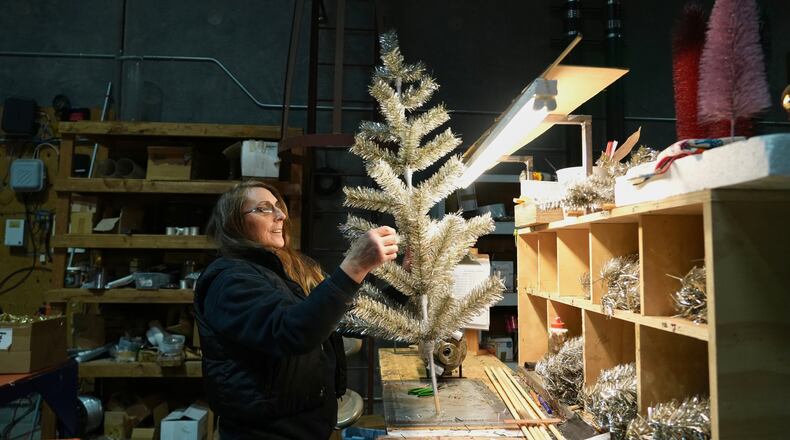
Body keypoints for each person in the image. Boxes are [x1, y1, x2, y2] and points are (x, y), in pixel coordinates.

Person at [194, 180, 398, 439]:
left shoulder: (286, 269)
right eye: (265, 208)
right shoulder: (230, 281)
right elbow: (291, 332)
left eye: (279, 207)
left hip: (309, 427)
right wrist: (354, 266)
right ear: (235, 222)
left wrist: (403, 287)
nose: (280, 216)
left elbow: (341, 318)